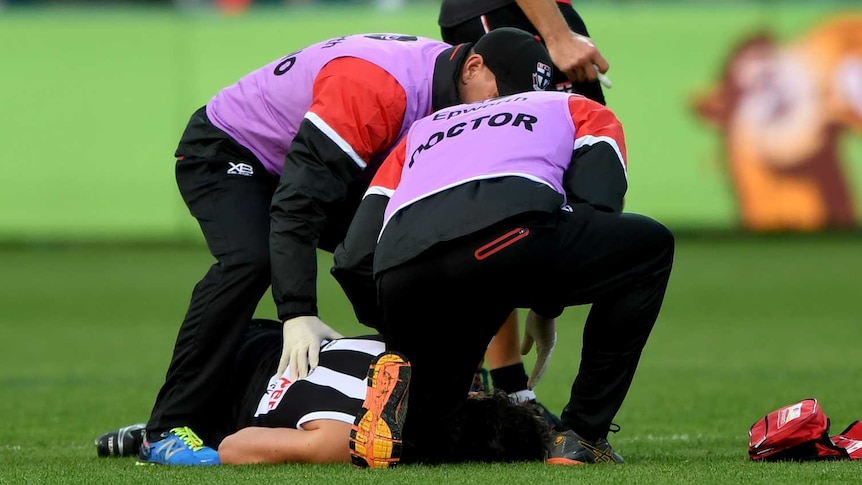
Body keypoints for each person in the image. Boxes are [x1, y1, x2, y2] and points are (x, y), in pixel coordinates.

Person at [141, 28, 554, 465]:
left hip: (302, 164)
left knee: (412, 250)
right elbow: (297, 203)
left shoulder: (454, 92)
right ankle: (167, 426)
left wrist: (544, 302)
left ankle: (446, 381)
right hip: (228, 150)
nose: (503, 110)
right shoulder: (376, 88)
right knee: (252, 259)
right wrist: (298, 313)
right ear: (472, 67)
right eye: (502, 95)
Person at [333, 90, 675, 467]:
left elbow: (352, 258)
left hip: (401, 269)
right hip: (505, 244)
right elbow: (596, 209)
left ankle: (408, 409)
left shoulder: (423, 129)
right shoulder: (577, 107)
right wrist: (547, 305)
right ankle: (583, 436)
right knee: (650, 248)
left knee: (433, 433)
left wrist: (395, 329)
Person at [436, 0, 611, 408]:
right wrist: (557, 36)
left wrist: (549, 299)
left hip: (543, 14)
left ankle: (501, 385)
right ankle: (495, 385)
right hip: (509, 13)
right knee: (499, 182)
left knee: (575, 154)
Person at [96, 320, 550, 465]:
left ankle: (158, 427)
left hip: (246, 334)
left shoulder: (419, 354)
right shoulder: (346, 441)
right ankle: (156, 434)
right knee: (217, 445)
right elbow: (235, 448)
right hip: (219, 406)